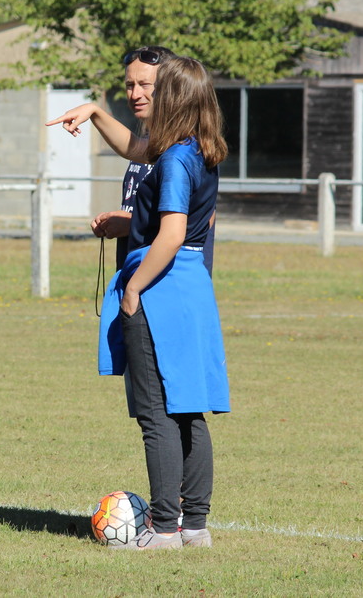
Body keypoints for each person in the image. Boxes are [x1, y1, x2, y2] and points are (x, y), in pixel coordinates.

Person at [100, 56, 230, 550]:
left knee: (156, 413)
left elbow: (172, 233)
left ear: (174, 97)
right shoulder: (202, 151)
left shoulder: (174, 158)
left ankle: (162, 528)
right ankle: (194, 526)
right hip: (192, 286)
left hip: (162, 288)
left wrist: (134, 287)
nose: (145, 95)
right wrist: (95, 114)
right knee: (189, 410)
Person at [46, 46, 176, 269]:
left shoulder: (184, 146)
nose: (135, 94)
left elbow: (197, 222)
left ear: (170, 87)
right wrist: (93, 111)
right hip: (132, 274)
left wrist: (132, 224)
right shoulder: (150, 144)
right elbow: (132, 147)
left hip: (165, 280)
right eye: (129, 85)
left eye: (145, 84)